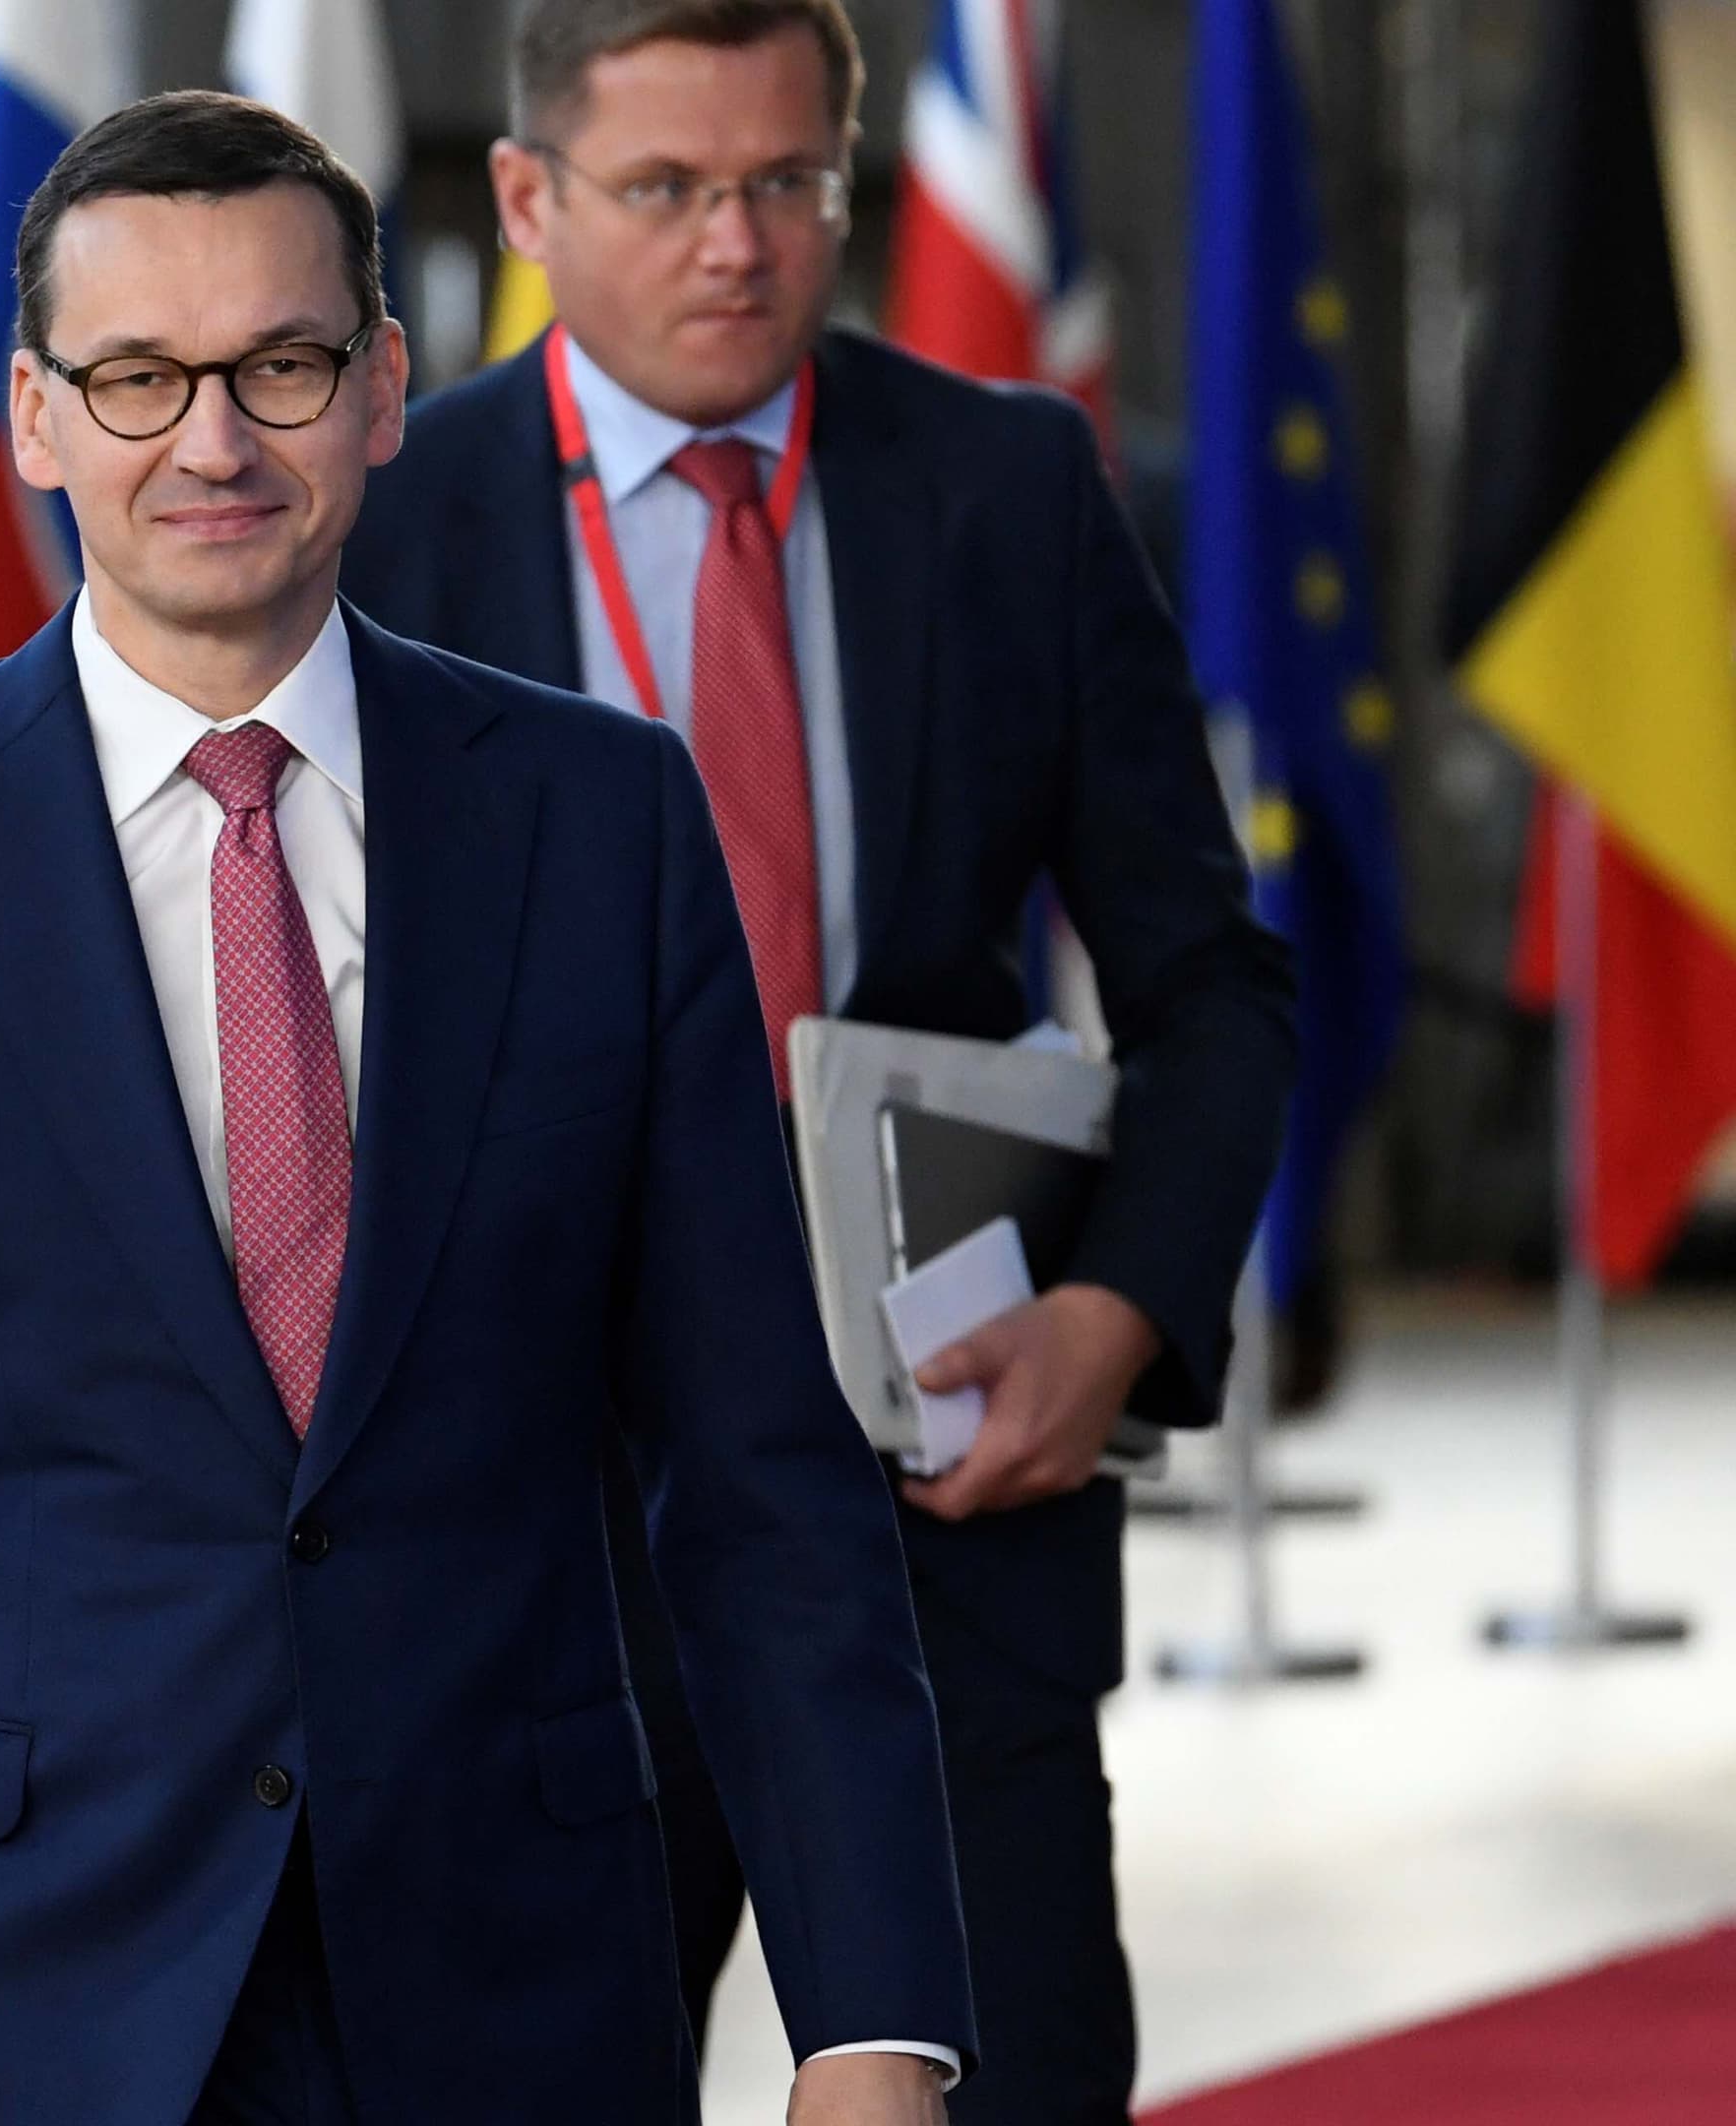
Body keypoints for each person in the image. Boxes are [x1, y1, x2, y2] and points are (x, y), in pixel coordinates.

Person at [0, 90, 971, 2126]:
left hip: (509, 1981)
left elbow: (758, 1466)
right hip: (14, 1995)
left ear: (382, 395)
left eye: (279, 365)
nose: (210, 441)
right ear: (32, 414)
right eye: (138, 378)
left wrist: (869, 2012)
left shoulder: (596, 822)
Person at [341, 6, 1297, 2121]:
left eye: (789, 184)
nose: (738, 248)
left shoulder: (1007, 485)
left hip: (952, 1476)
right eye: (667, 188)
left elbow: (1214, 982)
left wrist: (1120, 1317)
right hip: (532, 1530)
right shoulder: (386, 533)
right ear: (524, 198)